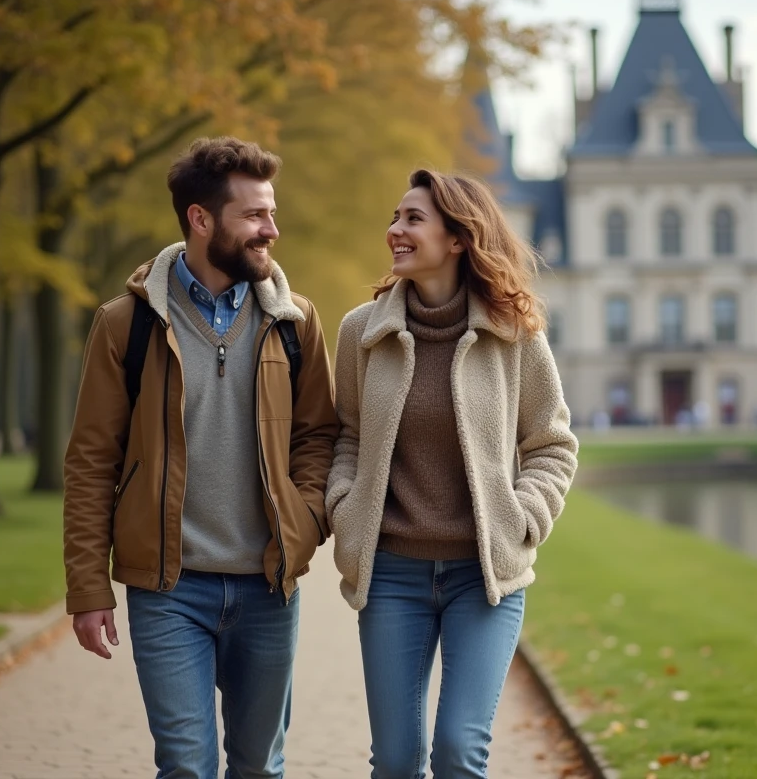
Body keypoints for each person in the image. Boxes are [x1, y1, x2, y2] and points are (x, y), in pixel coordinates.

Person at [63, 137, 337, 778]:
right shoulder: (124, 326)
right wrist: (86, 586)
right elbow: (90, 462)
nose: (272, 229)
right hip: (168, 590)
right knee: (186, 766)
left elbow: (319, 436)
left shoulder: (296, 322)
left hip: (269, 587)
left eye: (271, 212)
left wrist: (307, 519)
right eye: (255, 216)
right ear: (201, 219)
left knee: (258, 767)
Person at [326, 169, 578, 778]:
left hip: (484, 579)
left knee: (460, 751)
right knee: (395, 761)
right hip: (392, 576)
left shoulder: (513, 332)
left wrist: (525, 517)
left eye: (413, 219)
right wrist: (344, 502)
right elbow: (347, 438)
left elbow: (552, 444)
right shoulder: (362, 332)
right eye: (395, 217)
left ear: (459, 238)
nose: (395, 231)